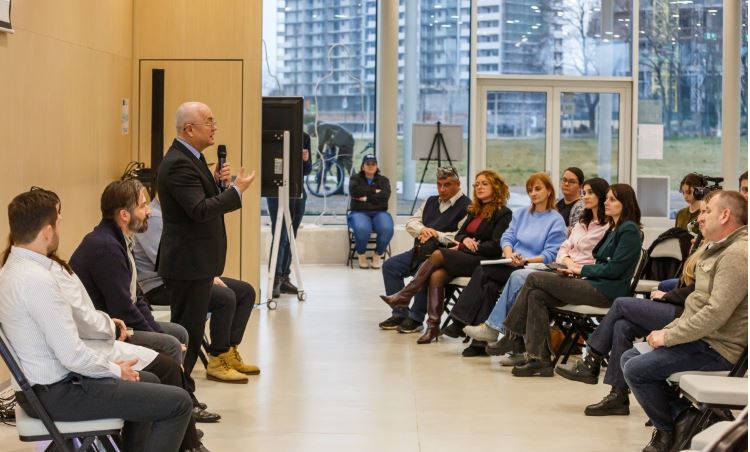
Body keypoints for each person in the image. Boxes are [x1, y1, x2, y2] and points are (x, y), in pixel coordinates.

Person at [0, 190, 195, 452]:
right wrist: (115, 370)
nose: (59, 229)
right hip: (58, 393)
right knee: (179, 403)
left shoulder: (12, 269)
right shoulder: (38, 281)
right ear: (47, 232)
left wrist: (113, 368)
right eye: (58, 223)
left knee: (149, 380)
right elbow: (72, 355)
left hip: (45, 389)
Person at [70, 180, 220, 423]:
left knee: (177, 333)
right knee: (171, 344)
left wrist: (157, 332)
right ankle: (179, 409)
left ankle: (182, 399)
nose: (149, 211)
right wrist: (160, 339)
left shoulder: (119, 240)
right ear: (124, 214)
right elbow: (123, 309)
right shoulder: (106, 247)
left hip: (118, 322)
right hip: (107, 331)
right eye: (142, 206)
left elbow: (137, 298)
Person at [621, 190, 747, 452]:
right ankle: (685, 420)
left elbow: (714, 314)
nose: (700, 218)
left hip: (719, 349)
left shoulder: (736, 254)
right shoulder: (719, 249)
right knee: (629, 357)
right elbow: (696, 307)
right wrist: (668, 330)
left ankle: (667, 433)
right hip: (703, 340)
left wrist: (668, 337)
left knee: (636, 369)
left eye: (707, 211)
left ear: (725, 215)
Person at [556, 228, 706, 416]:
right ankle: (618, 396)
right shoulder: (706, 246)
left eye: (706, 214)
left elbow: (698, 291)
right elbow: (687, 283)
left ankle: (592, 359)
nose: (701, 219)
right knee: (622, 326)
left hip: (687, 313)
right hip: (680, 305)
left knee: (621, 304)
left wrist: (668, 295)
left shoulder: (720, 252)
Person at [157, 101, 256, 384]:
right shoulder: (178, 164)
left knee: (193, 328)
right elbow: (199, 211)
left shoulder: (193, 158)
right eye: (209, 122)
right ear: (189, 129)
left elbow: (200, 200)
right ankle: (179, 390)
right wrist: (236, 191)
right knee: (188, 332)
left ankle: (186, 385)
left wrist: (217, 184)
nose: (215, 128)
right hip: (187, 263)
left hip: (197, 262)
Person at [499, 183, 644, 377]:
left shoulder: (629, 230)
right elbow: (600, 260)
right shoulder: (614, 228)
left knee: (533, 278)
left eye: (612, 199)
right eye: (607, 198)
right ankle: (539, 359)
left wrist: (579, 269)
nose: (606, 202)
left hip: (606, 291)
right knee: (536, 295)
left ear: (625, 203)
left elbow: (614, 269)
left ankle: (512, 335)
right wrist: (576, 271)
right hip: (592, 282)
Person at [464, 178, 610, 364]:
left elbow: (554, 253)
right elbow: (563, 250)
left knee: (522, 279)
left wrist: (530, 261)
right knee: (493, 276)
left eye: (590, 193)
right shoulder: (582, 223)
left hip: (558, 271)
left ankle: (498, 331)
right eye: (584, 193)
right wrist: (510, 254)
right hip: (558, 268)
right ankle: (522, 349)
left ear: (549, 191)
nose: (585, 197)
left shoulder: (603, 227)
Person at [134, 195, 259, 384]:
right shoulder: (154, 219)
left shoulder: (174, 215)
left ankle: (229, 351)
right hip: (161, 285)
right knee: (225, 298)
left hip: (188, 276)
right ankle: (217, 359)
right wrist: (205, 277)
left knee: (245, 292)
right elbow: (168, 261)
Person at [441, 172, 567, 357]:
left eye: (537, 189)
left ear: (549, 191)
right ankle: (479, 343)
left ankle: (462, 322)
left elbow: (550, 255)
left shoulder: (556, 220)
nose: (533, 193)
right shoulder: (522, 214)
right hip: (512, 262)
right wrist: (509, 255)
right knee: (489, 284)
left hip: (532, 268)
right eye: (530, 190)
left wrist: (525, 260)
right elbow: (507, 238)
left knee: (484, 272)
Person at [380, 170, 512, 344]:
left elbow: (495, 248)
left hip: (480, 260)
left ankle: (406, 295)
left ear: (496, 187)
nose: (479, 187)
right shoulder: (475, 209)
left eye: (484, 184)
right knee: (436, 275)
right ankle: (432, 327)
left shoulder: (503, 213)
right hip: (459, 254)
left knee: (437, 254)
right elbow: (460, 234)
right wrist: (464, 239)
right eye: (477, 184)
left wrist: (464, 244)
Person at [378, 166, 470, 332]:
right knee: (390, 266)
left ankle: (416, 318)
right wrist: (423, 230)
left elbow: (459, 236)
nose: (442, 189)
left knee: (425, 269)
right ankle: (400, 313)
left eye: (447, 185)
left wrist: (436, 234)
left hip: (445, 256)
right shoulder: (430, 201)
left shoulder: (467, 206)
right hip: (420, 250)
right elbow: (411, 222)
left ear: (458, 184)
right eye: (439, 184)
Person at [267, 131, 312, 298]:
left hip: (298, 191)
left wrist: (306, 160)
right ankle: (275, 278)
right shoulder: (273, 134)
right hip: (277, 190)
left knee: (292, 235)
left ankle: (285, 277)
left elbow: (307, 170)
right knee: (281, 235)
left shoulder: (304, 137)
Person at [347, 154, 393, 269]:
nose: (371, 166)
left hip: (380, 212)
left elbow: (384, 197)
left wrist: (365, 198)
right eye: (368, 164)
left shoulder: (383, 180)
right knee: (362, 229)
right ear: (363, 166)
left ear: (377, 166)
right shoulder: (355, 179)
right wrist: (374, 191)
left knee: (387, 229)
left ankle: (377, 255)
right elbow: (355, 192)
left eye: (373, 164)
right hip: (359, 211)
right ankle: (361, 255)